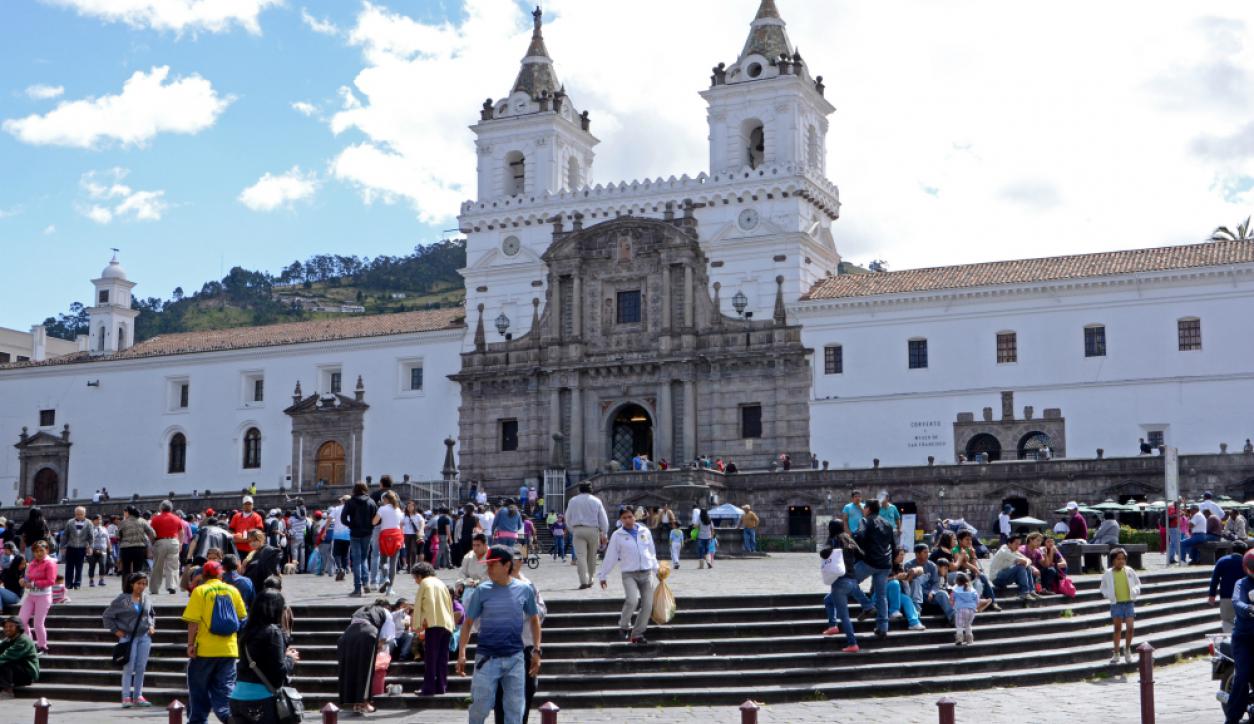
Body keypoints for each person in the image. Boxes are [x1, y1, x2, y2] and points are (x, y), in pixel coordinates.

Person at [456, 546, 542, 724]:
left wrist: (537, 651)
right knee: (478, 706)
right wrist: (462, 652)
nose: (488, 570)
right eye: (487, 565)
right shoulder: (482, 591)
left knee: (515, 709)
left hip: (515, 658)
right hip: (486, 658)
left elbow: (534, 620)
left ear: (506, 565)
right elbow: (468, 623)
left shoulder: (524, 589)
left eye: (492, 565)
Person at [181, 560, 248, 724]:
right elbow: (242, 616)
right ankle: (229, 717)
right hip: (228, 650)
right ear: (221, 573)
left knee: (199, 690)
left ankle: (198, 721)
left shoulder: (200, 591)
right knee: (225, 689)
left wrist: (190, 644)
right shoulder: (233, 590)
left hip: (204, 650)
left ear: (203, 574)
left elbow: (193, 622)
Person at [229, 589, 299, 723]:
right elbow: (278, 672)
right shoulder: (273, 632)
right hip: (261, 699)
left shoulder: (247, 631)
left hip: (238, 696)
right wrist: (290, 658)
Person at [494, 552, 546, 724]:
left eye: (515, 562)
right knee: (501, 693)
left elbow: (541, 613)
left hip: (526, 647)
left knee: (528, 689)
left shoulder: (529, 586)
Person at [598, 507, 659, 644]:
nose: (627, 520)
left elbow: (651, 552)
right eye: (624, 518)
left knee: (648, 605)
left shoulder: (645, 531)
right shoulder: (617, 535)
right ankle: (624, 625)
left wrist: (657, 570)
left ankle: (637, 634)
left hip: (646, 572)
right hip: (629, 573)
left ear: (635, 517)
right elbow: (611, 556)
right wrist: (603, 575)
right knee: (632, 600)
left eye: (630, 516)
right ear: (621, 520)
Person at [103, 572, 156, 707]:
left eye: (144, 584)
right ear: (132, 584)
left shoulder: (146, 598)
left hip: (144, 636)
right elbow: (107, 616)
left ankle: (138, 695)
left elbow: (151, 614)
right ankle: (126, 697)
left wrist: (151, 625)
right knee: (129, 667)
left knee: (141, 667)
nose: (141, 586)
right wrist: (116, 631)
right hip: (128, 637)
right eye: (139, 583)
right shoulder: (124, 600)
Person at [338, 600, 392, 715]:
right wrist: (380, 648)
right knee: (365, 670)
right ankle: (364, 703)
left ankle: (355, 703)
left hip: (347, 635)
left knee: (351, 669)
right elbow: (386, 637)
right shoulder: (386, 612)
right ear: (386, 606)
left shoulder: (362, 609)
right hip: (367, 634)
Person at [853, 499, 895, 640]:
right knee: (882, 596)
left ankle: (867, 605)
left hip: (869, 561)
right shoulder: (888, 524)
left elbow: (859, 536)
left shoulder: (865, 521)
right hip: (885, 564)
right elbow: (893, 545)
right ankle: (883, 628)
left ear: (869, 509)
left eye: (864, 508)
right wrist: (893, 566)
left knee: (848, 581)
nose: (863, 510)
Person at [821, 519, 866, 653]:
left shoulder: (833, 540)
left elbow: (823, 553)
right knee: (828, 600)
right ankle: (833, 626)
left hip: (839, 581)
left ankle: (853, 643)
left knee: (844, 615)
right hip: (852, 579)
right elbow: (862, 555)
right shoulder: (848, 539)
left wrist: (832, 546)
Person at [412, 563, 454, 696]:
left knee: (431, 657)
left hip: (433, 624)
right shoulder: (441, 583)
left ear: (419, 575)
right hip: (446, 623)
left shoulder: (425, 583)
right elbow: (449, 604)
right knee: (442, 657)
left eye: (415, 578)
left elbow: (419, 604)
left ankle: (428, 688)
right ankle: (441, 686)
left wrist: (417, 625)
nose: (416, 581)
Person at [1225, 550, 1254, 724]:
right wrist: (1248, 608)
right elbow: (1237, 601)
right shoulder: (1242, 584)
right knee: (1242, 676)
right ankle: (1232, 718)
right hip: (1244, 639)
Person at [564, 483, 609, 590]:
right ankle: (591, 578)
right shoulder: (596, 501)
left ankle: (583, 580)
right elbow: (603, 518)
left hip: (578, 529)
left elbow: (567, 517)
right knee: (592, 556)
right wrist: (604, 532)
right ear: (591, 490)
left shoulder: (573, 500)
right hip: (593, 530)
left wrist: (572, 529)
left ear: (579, 490)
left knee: (581, 556)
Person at [1100, 547, 1140, 664]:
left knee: (1130, 628)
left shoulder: (1129, 571)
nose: (1121, 561)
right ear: (1113, 560)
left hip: (1129, 603)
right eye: (1118, 559)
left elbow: (1137, 583)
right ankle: (1116, 652)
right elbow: (1103, 588)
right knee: (1117, 629)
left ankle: (1127, 650)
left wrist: (1135, 590)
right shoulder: (1108, 573)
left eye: (1123, 559)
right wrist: (1109, 595)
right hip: (1116, 604)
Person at [341, 481, 379, 596]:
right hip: (367, 533)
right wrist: (371, 526)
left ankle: (357, 588)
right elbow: (377, 519)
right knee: (364, 558)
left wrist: (351, 525)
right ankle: (366, 583)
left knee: (356, 560)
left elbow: (343, 518)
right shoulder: (371, 502)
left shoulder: (350, 502)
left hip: (355, 533)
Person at [17, 541, 55, 655]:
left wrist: (33, 584)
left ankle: (43, 647)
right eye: (36, 551)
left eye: (41, 551)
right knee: (21, 621)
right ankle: (29, 644)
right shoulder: (32, 563)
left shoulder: (50, 563)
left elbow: (51, 581)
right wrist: (23, 581)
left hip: (44, 596)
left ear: (47, 550)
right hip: (31, 596)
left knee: (38, 624)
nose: (39, 553)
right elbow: (27, 577)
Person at [909, 543, 954, 625]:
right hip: (916, 594)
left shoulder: (932, 566)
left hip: (930, 595)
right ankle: (916, 618)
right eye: (925, 552)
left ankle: (952, 617)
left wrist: (932, 592)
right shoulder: (909, 565)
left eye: (928, 552)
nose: (927, 555)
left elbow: (936, 583)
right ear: (917, 554)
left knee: (942, 593)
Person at [1211, 541, 1250, 634]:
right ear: (1245, 551)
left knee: (1227, 620)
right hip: (1244, 598)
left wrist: (1211, 595)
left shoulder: (1222, 561)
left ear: (1231, 550)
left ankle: (1230, 642)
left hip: (1226, 596)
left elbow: (1215, 579)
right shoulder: (1247, 563)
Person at [987, 535, 1040, 601]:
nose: (1018, 546)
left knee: (1027, 567)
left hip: (1006, 577)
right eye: (1016, 544)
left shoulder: (1015, 551)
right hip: (997, 579)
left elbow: (1029, 560)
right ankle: (1024, 593)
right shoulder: (1003, 551)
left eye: (1019, 544)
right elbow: (1022, 561)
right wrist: (1025, 562)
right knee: (1020, 567)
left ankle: (1031, 591)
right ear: (1009, 543)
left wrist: (1026, 563)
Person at [886, 548, 926, 631]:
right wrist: (896, 577)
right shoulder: (885, 565)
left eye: (903, 555)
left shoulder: (900, 567)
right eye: (901, 554)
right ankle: (893, 610)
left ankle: (914, 623)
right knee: (894, 583)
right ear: (894, 555)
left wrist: (908, 577)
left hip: (895, 596)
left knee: (906, 599)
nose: (903, 557)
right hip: (881, 594)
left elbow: (906, 586)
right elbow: (880, 581)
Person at [373, 490, 405, 594]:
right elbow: (401, 526)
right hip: (396, 536)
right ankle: (390, 589)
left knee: (383, 561)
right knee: (393, 563)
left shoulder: (382, 509)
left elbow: (374, 522)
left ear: (385, 499)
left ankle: (386, 577)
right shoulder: (399, 510)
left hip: (385, 536)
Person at [149, 500, 183, 595]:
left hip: (160, 542)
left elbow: (151, 533)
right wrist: (180, 543)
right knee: (173, 566)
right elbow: (181, 532)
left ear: (161, 508)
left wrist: (152, 543)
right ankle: (172, 586)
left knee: (157, 566)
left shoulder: (155, 519)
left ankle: (154, 588)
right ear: (171, 508)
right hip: (173, 541)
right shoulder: (176, 518)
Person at [0, 616, 38, 700]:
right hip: (15, 671)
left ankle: (7, 691)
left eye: (11, 626)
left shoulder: (23, 640)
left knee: (5, 662)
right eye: (5, 627)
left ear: (18, 628)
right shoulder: (8, 639)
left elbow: (7, 656)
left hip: (27, 674)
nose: (7, 629)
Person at [60, 506, 94, 590]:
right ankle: (68, 583)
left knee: (79, 567)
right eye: (77, 514)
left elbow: (91, 537)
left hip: (81, 548)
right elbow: (65, 535)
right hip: (71, 547)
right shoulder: (70, 522)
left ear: (84, 514)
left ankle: (77, 583)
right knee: (69, 567)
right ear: (75, 514)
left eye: (81, 514)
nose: (79, 516)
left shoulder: (89, 523)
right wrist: (62, 546)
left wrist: (90, 547)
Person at [951, 573, 978, 645]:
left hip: (960, 609)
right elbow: (976, 599)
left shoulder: (955, 590)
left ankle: (959, 639)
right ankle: (970, 639)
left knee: (959, 625)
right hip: (971, 610)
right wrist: (975, 607)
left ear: (957, 581)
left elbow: (952, 599)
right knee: (968, 625)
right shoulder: (972, 590)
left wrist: (953, 606)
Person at [401, 501, 426, 573]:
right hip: (406, 534)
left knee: (413, 550)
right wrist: (401, 530)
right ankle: (409, 568)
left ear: (414, 507)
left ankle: (413, 567)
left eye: (411, 506)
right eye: (408, 506)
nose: (409, 508)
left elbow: (422, 523)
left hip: (415, 535)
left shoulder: (417, 515)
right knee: (407, 551)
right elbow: (401, 524)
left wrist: (421, 530)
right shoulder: (404, 515)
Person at [89, 514, 111, 587]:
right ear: (93, 521)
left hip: (103, 549)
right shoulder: (90, 529)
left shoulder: (104, 529)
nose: (99, 521)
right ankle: (91, 580)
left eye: (100, 519)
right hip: (93, 549)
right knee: (92, 565)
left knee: (103, 565)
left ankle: (101, 579)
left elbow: (108, 539)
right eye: (97, 519)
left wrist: (109, 548)